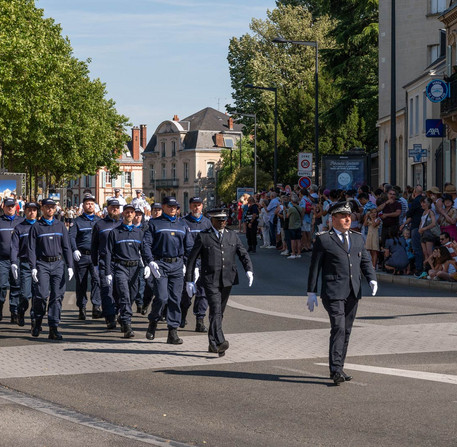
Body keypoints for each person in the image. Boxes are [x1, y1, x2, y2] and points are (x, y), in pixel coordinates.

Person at [307, 201, 377, 385]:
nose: (348, 219)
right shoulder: (324, 239)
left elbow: (365, 261)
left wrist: (372, 278)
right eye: (344, 216)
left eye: (349, 216)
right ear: (334, 218)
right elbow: (315, 268)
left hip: (353, 290)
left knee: (346, 330)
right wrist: (311, 292)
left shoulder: (357, 238)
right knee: (338, 327)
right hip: (333, 292)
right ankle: (336, 369)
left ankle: (339, 367)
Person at [185, 209, 253, 357]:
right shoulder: (204, 236)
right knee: (215, 309)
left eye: (224, 219)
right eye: (219, 220)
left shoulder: (232, 235)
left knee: (219, 312)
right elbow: (192, 259)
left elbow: (242, 253)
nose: (222, 222)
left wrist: (249, 269)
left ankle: (212, 343)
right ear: (212, 221)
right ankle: (221, 341)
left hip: (228, 279)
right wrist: (189, 280)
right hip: (210, 279)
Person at [143, 196, 194, 344]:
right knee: (162, 297)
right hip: (161, 264)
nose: (173, 209)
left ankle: (173, 332)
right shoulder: (154, 224)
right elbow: (146, 244)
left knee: (175, 299)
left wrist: (189, 264)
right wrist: (150, 261)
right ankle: (153, 321)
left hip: (177, 264)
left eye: (175, 207)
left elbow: (189, 247)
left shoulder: (182, 225)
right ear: (164, 207)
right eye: (170, 206)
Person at [28, 198, 74, 340]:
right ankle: (37, 321)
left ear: (55, 209)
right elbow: (31, 249)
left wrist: (70, 265)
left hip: (58, 264)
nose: (50, 209)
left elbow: (66, 247)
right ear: (42, 209)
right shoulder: (36, 226)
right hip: (42, 264)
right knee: (41, 295)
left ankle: (53, 327)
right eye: (47, 207)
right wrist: (33, 266)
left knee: (57, 296)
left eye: (52, 207)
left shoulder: (60, 226)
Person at [104, 203, 150, 338]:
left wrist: (148, 264)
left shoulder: (139, 233)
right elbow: (108, 253)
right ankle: (127, 324)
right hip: (120, 268)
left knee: (132, 296)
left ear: (135, 215)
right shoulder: (115, 232)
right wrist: (107, 272)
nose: (129, 214)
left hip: (135, 268)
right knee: (124, 295)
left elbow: (145, 250)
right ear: (123, 214)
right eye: (127, 212)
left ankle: (123, 316)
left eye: (132, 212)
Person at [180, 196, 212, 332]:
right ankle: (182, 316)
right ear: (190, 206)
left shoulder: (208, 223)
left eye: (198, 205)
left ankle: (200, 320)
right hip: (188, 262)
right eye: (194, 205)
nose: (196, 207)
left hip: (204, 263)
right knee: (186, 293)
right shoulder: (182, 222)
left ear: (202, 206)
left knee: (203, 293)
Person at [69, 194, 102, 320]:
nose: (90, 205)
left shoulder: (99, 221)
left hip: (95, 256)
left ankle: (96, 307)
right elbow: (71, 237)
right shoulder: (77, 221)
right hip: (82, 256)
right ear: (83, 206)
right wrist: (75, 250)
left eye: (92, 204)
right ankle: (82, 308)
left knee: (97, 280)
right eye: (87, 203)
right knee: (81, 282)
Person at [91, 198, 121, 329]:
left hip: (120, 262)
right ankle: (110, 317)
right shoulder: (100, 224)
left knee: (120, 291)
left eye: (117, 207)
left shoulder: (123, 224)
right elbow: (94, 245)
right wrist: (95, 263)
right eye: (112, 207)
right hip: (104, 261)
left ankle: (119, 312)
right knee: (107, 290)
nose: (115, 209)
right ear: (107, 208)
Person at [10, 202, 39, 327]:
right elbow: (14, 247)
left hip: (39, 264)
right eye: (29, 210)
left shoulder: (41, 226)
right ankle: (21, 311)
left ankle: (34, 319)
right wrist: (14, 262)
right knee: (25, 294)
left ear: (37, 212)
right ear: (25, 211)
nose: (31, 212)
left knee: (38, 295)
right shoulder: (19, 228)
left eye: (34, 210)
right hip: (25, 264)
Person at [0, 197, 24, 323]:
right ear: (3, 207)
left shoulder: (22, 222)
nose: (10, 208)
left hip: (18, 260)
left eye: (12, 206)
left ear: (16, 207)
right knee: (1, 285)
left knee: (16, 285)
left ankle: (14, 311)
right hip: (2, 260)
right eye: (8, 206)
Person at [287, 194, 304, 259]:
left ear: (292, 201)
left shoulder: (291, 209)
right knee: (298, 240)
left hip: (292, 225)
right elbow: (302, 215)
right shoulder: (300, 208)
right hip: (298, 225)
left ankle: (293, 253)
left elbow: (287, 216)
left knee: (293, 240)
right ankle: (299, 253)